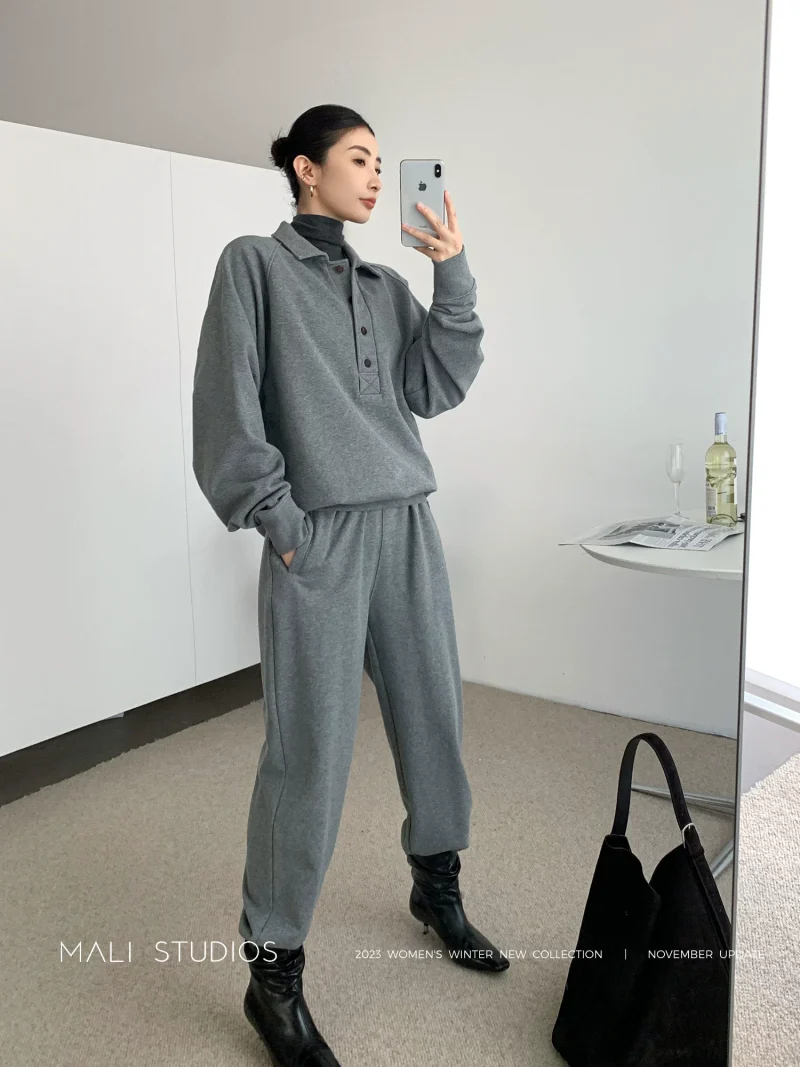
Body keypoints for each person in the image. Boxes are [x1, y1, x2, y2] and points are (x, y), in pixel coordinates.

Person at [192, 103, 508, 1067]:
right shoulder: (253, 265)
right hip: (319, 539)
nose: (377, 177)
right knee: (310, 751)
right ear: (305, 168)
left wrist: (451, 269)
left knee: (433, 715)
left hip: (405, 523)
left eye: (381, 162)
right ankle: (273, 973)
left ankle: (436, 884)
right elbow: (226, 406)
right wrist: (281, 524)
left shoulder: (384, 284)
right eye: (360, 159)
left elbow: (435, 387)